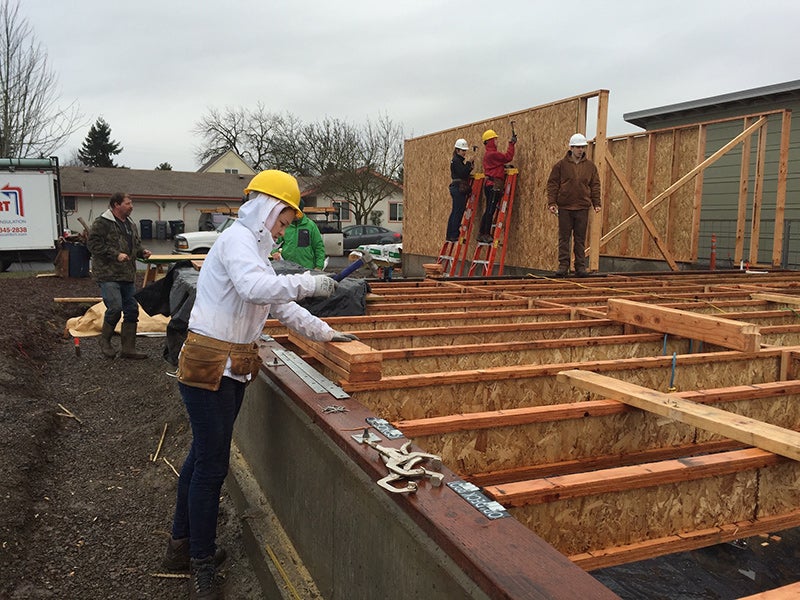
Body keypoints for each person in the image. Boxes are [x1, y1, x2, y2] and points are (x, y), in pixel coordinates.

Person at [164, 169, 358, 599]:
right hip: (208, 367)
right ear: (267, 207)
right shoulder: (237, 242)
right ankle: (200, 559)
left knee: (201, 457)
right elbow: (255, 289)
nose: (284, 228)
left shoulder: (254, 248)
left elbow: (280, 306)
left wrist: (327, 333)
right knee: (212, 467)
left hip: (231, 367)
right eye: (284, 220)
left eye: (288, 223)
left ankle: (180, 543)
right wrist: (311, 282)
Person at [87, 192, 152, 359]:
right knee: (115, 307)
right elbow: (93, 245)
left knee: (131, 310)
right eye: (128, 203)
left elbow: (134, 245)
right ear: (116, 205)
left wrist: (141, 252)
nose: (131, 206)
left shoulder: (130, 224)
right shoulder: (102, 223)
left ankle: (128, 349)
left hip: (127, 274)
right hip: (108, 274)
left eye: (131, 203)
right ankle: (105, 341)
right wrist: (115, 254)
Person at [546, 133, 602, 277]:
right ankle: (563, 266)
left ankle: (580, 267)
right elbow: (552, 184)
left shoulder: (590, 167)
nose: (580, 150)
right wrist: (552, 202)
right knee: (564, 238)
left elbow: (595, 185)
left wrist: (596, 203)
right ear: (571, 148)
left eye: (582, 147)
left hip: (582, 207)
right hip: (565, 207)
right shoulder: (560, 165)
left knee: (580, 238)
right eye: (577, 147)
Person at [477, 129, 516, 243]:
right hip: (493, 186)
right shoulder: (492, 154)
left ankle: (482, 233)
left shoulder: (489, 155)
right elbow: (507, 157)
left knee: (489, 209)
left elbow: (497, 165)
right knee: (490, 210)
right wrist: (511, 144)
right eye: (495, 139)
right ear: (490, 141)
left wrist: (503, 167)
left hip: (490, 185)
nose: (496, 142)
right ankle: (485, 234)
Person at [271, 200, 326, 269]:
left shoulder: (310, 226)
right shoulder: (286, 225)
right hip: (287, 268)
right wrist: (274, 252)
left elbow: (319, 247)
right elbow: (273, 241)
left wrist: (319, 266)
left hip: (306, 269)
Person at [445, 138, 474, 242]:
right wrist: (468, 164)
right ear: (457, 150)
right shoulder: (457, 161)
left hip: (455, 188)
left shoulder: (456, 160)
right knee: (458, 211)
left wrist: (468, 166)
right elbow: (462, 173)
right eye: (463, 151)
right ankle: (454, 235)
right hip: (457, 188)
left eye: (465, 151)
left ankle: (450, 235)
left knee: (455, 211)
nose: (464, 153)